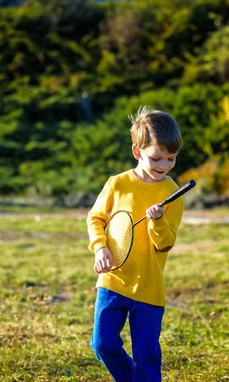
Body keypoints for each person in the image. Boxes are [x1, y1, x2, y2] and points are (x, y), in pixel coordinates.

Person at [86, 106, 185, 382]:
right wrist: (100, 247)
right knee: (102, 345)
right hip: (113, 280)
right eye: (156, 158)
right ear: (137, 151)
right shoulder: (117, 184)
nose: (163, 166)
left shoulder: (172, 194)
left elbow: (166, 243)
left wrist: (157, 221)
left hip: (148, 286)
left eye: (171, 159)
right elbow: (95, 218)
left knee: (147, 356)